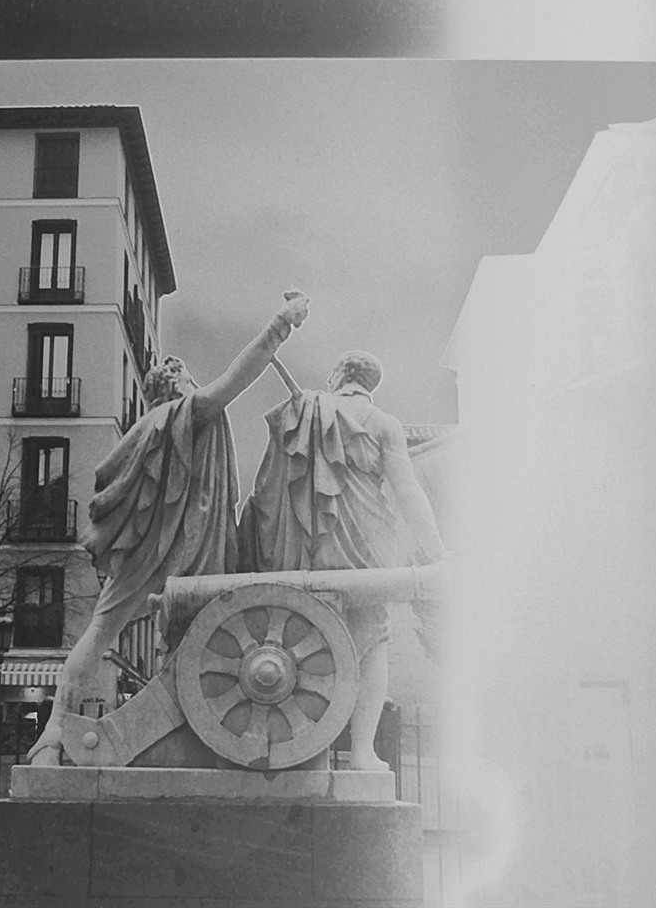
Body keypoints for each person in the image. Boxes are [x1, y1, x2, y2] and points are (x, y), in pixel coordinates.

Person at [29, 291, 311, 765]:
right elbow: (235, 381)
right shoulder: (182, 413)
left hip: (150, 548)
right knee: (133, 633)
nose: (192, 379)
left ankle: (54, 732)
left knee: (103, 631)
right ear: (175, 384)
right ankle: (63, 733)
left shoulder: (151, 425)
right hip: (177, 549)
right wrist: (281, 323)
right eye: (185, 375)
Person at [238, 350, 446, 770]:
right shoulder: (386, 425)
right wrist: (437, 551)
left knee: (301, 645)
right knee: (374, 646)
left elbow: (270, 485)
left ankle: (303, 752)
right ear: (372, 385)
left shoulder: (308, 411)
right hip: (367, 548)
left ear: (336, 377)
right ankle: (362, 754)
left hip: (308, 544)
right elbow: (407, 491)